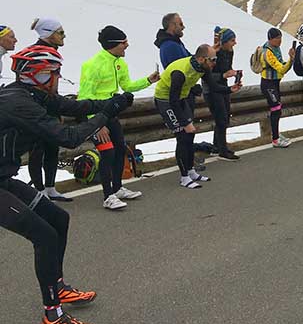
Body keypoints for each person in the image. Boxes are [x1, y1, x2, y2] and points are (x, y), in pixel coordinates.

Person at [0, 45, 134, 324]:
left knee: (58, 220)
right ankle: (53, 316)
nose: (59, 77)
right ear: (39, 75)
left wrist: (108, 103)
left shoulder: (30, 94)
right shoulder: (16, 103)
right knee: (44, 234)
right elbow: (69, 137)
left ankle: (56, 285)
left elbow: (70, 107)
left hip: (3, 179)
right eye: (55, 72)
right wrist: (106, 114)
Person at [78, 26, 160, 210]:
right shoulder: (93, 65)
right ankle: (108, 197)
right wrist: (97, 124)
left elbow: (127, 86)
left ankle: (117, 188)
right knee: (107, 153)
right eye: (124, 42)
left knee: (120, 150)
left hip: (111, 114)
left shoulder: (119, 62)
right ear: (114, 44)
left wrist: (149, 80)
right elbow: (84, 97)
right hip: (96, 117)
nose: (127, 45)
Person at [154, 45, 216, 187]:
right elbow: (173, 101)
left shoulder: (203, 67)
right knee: (182, 136)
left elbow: (213, 86)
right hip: (166, 101)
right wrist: (185, 123)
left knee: (190, 135)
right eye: (212, 59)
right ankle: (184, 177)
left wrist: (231, 89)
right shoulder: (180, 73)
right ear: (201, 59)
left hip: (181, 99)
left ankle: (191, 171)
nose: (214, 62)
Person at [28, 18, 69, 202]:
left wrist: (57, 111)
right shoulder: (35, 53)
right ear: (48, 34)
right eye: (60, 32)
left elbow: (53, 86)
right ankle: (39, 190)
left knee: (52, 149)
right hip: (36, 108)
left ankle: (50, 187)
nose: (64, 36)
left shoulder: (51, 52)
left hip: (49, 107)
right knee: (37, 151)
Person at [205, 26, 242, 160]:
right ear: (224, 41)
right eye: (232, 40)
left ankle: (218, 146)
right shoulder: (214, 54)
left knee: (224, 117)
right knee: (221, 118)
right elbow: (206, 75)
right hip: (212, 89)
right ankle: (222, 150)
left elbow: (227, 69)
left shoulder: (229, 51)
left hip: (223, 87)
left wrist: (233, 74)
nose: (234, 43)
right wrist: (224, 75)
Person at [259, 27, 295, 148]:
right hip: (268, 84)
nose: (280, 41)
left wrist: (290, 61)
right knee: (276, 109)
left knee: (277, 110)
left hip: (275, 83)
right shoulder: (267, 52)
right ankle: (275, 139)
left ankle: (276, 134)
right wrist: (291, 59)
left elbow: (282, 65)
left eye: (281, 38)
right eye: (277, 38)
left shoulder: (276, 48)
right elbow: (281, 69)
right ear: (270, 39)